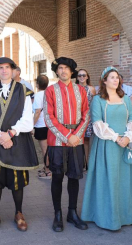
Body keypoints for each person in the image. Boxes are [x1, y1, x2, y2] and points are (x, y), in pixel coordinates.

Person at [81, 66, 132, 230]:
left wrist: (128, 137)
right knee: (108, 179)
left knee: (125, 180)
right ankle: (107, 217)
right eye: (112, 77)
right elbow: (97, 123)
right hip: (106, 145)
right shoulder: (98, 100)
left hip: (125, 144)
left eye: (117, 77)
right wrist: (116, 138)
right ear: (104, 81)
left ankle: (128, 214)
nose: (115, 80)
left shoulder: (125, 99)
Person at [0, 57, 38, 233]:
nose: (4, 71)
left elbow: (28, 118)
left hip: (17, 140)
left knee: (17, 181)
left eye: (7, 67)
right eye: (0, 68)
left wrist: (11, 133)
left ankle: (19, 213)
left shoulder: (23, 90)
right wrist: (0, 136)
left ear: (13, 70)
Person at [44, 57, 89, 232]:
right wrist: (67, 136)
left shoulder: (81, 90)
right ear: (56, 71)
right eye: (60, 68)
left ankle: (72, 212)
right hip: (57, 141)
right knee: (56, 177)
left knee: (74, 177)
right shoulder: (50, 90)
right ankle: (57, 214)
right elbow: (49, 117)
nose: (63, 71)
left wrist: (76, 136)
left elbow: (86, 114)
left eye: (66, 68)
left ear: (72, 72)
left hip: (76, 141)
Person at [75, 69, 96, 169]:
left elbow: (95, 104)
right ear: (77, 77)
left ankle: (87, 164)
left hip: (88, 118)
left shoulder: (91, 89)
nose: (82, 77)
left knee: (86, 141)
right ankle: (79, 164)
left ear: (87, 77)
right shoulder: (74, 88)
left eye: (84, 75)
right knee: (77, 141)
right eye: (80, 75)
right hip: (76, 118)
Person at [33, 75, 51, 179]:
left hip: (41, 125)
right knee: (49, 149)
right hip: (50, 125)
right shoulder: (50, 93)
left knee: (45, 150)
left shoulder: (38, 95)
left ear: (37, 84)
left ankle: (48, 171)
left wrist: (32, 125)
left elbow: (37, 112)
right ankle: (46, 167)